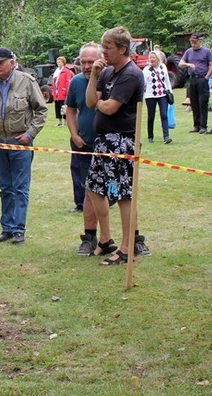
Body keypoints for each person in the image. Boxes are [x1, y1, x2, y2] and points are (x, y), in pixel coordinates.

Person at [86, 27, 149, 265]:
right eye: (103, 47)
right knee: (94, 188)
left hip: (121, 142)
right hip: (103, 141)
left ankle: (126, 247)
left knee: (122, 193)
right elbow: (91, 101)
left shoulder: (131, 74)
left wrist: (100, 103)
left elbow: (110, 107)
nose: (104, 52)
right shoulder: (107, 71)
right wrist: (93, 76)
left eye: (108, 48)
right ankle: (105, 239)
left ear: (123, 48)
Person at [0, 46, 47, 245]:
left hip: (19, 142)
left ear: (12, 62)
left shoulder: (27, 81)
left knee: (20, 187)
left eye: (1, 62)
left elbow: (41, 110)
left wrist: (30, 134)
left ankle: (19, 229)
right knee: (5, 187)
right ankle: (7, 228)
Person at [66, 43, 108, 254]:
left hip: (110, 146)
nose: (86, 66)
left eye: (91, 62)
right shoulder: (76, 82)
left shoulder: (111, 78)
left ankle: (124, 238)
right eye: (83, 62)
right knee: (88, 194)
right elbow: (71, 110)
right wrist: (74, 135)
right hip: (85, 144)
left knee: (114, 193)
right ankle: (89, 237)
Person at [179, 33, 212, 133]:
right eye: (192, 42)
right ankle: (196, 125)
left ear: (200, 41)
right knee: (194, 102)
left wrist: (207, 77)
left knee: (202, 102)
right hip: (192, 79)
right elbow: (180, 64)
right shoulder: (188, 52)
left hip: (202, 79)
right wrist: (188, 64)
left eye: (195, 42)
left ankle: (203, 126)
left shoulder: (206, 51)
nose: (193, 44)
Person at [142, 51, 172, 144]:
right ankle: (150, 136)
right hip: (150, 95)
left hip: (162, 94)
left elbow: (167, 81)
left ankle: (166, 136)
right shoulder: (146, 69)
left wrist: (170, 92)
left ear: (158, 58)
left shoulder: (163, 67)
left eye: (153, 57)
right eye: (150, 58)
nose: (151, 59)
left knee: (164, 115)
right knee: (151, 116)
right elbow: (143, 83)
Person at [49, 56, 74, 126]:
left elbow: (68, 81)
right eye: (57, 62)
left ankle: (65, 121)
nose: (58, 63)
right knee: (57, 107)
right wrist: (52, 91)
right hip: (56, 92)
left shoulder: (66, 71)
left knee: (63, 107)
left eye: (60, 62)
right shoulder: (56, 72)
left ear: (63, 62)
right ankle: (59, 121)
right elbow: (53, 82)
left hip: (63, 92)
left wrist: (66, 90)